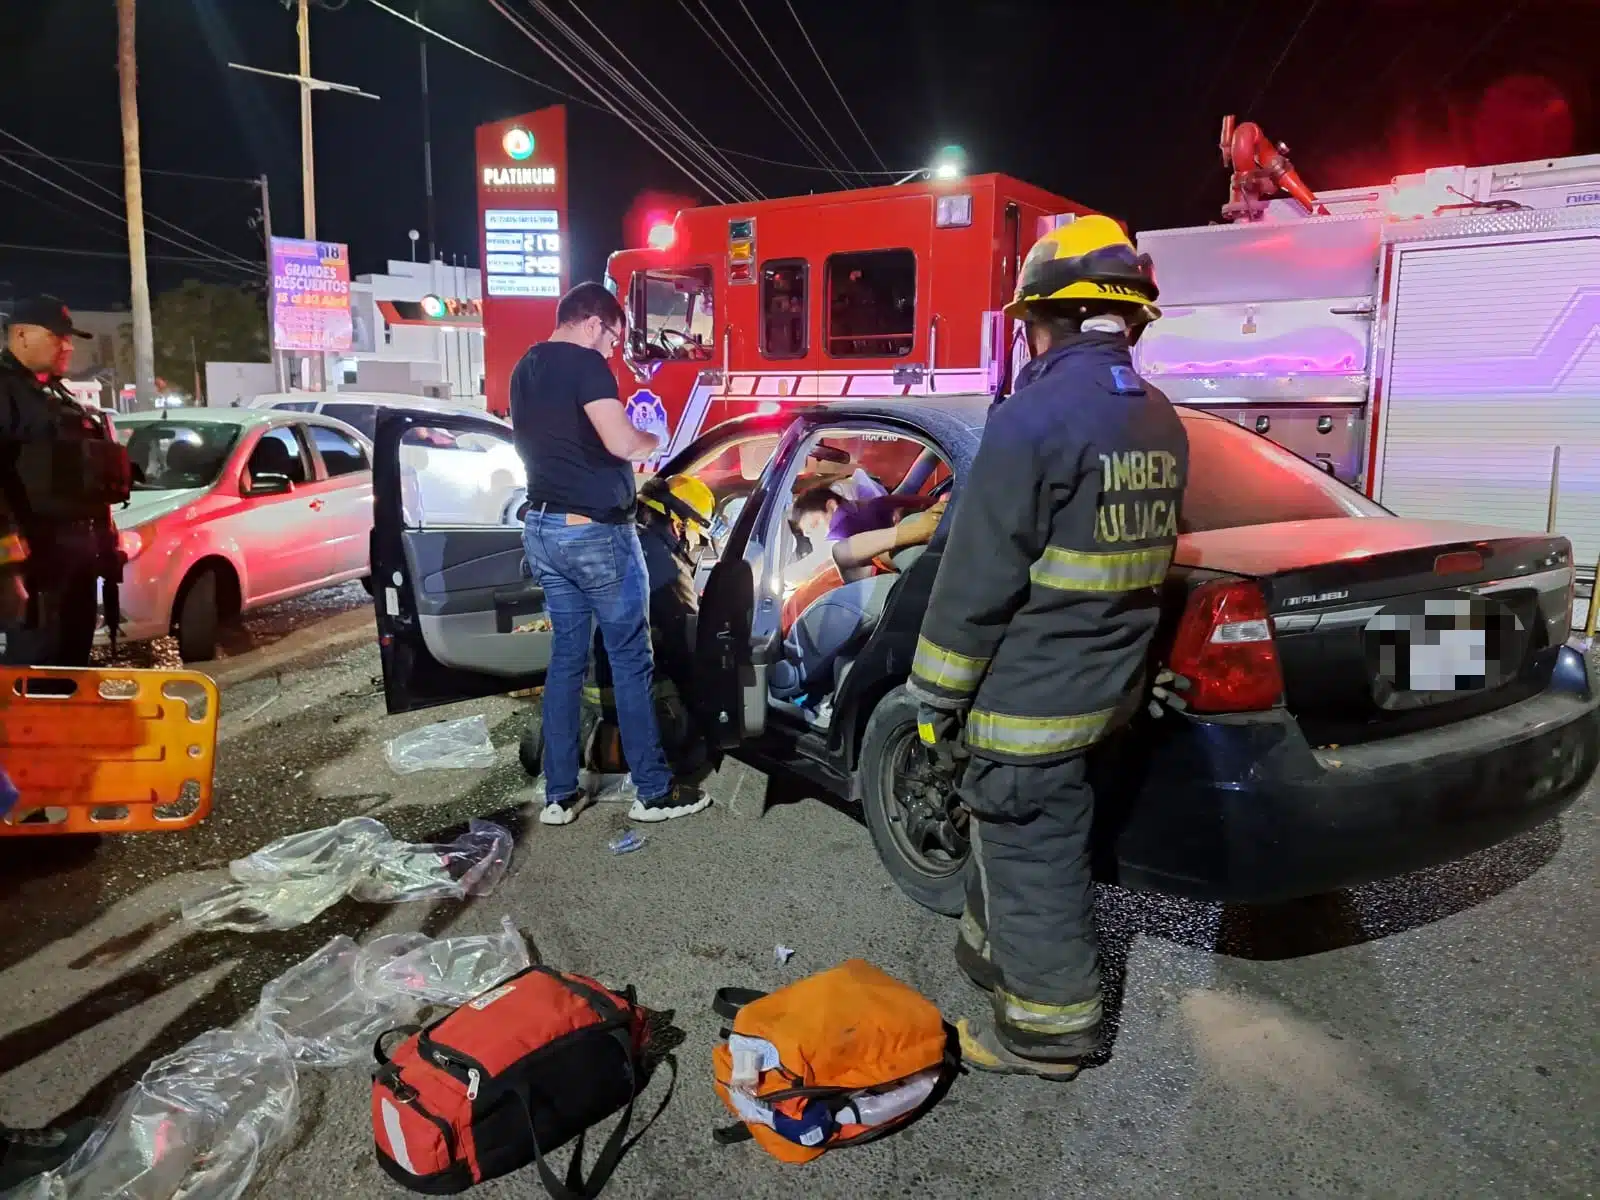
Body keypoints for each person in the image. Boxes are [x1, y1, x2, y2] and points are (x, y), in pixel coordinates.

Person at [907, 215, 1189, 1079]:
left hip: (1033, 696)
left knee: (1032, 849)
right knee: (1018, 830)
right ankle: (992, 960)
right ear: (1129, 321)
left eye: (1029, 323)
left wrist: (934, 700)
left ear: (1050, 320)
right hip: (1109, 688)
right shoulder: (1160, 419)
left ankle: (1048, 1034)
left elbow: (977, 580)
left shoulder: (1032, 419)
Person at [512, 281, 706, 827]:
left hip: (544, 529)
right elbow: (621, 443)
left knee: (567, 660)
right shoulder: (585, 365)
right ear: (594, 323)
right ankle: (654, 791)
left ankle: (560, 794)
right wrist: (653, 440)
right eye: (615, 339)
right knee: (630, 657)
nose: (614, 351)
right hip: (596, 535)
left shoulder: (525, 368)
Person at [0, 296, 129, 667]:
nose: (68, 346)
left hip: (77, 562)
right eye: (58, 337)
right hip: (35, 569)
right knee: (37, 678)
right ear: (22, 335)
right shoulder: (6, 391)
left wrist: (106, 542)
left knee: (72, 669)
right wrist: (8, 573)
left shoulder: (56, 394)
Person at [583, 472, 713, 771]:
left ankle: (601, 745)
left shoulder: (616, 539)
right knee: (690, 719)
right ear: (679, 525)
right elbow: (686, 641)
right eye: (696, 532)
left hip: (582, 679)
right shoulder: (667, 567)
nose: (696, 542)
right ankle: (634, 758)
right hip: (619, 688)